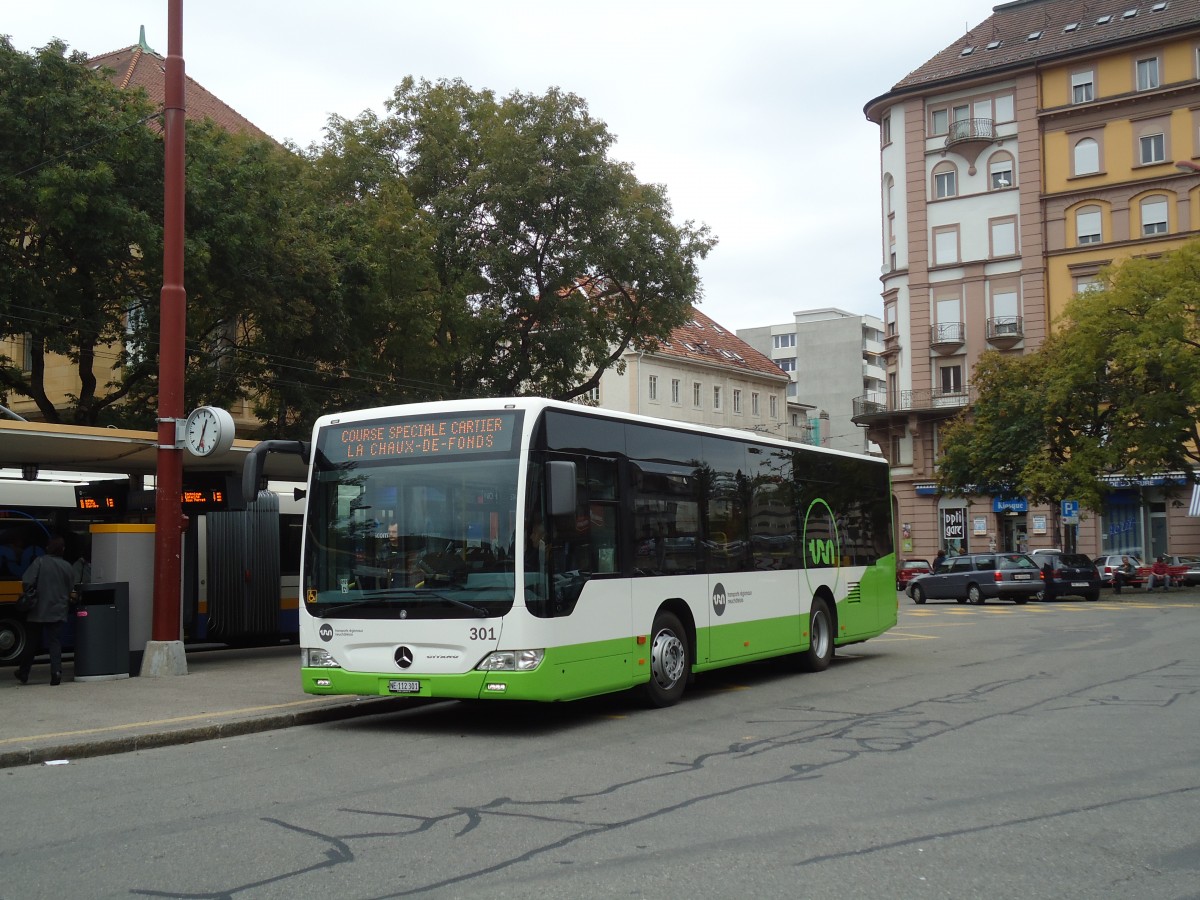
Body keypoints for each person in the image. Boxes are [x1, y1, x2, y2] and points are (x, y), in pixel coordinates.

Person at [15, 535, 76, 686]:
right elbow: (70, 588)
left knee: (32, 642)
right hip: (58, 609)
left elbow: (27, 580)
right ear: (62, 549)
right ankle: (56, 672)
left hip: (38, 609)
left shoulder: (39, 562)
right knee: (55, 642)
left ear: (48, 548)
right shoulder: (67, 566)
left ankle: (24, 672)